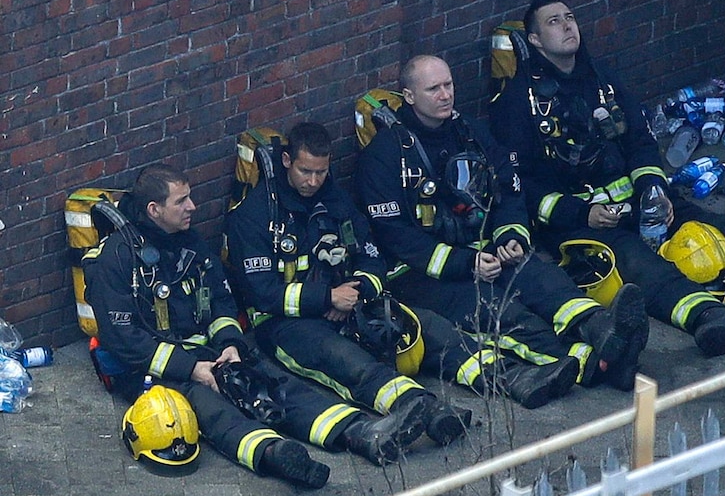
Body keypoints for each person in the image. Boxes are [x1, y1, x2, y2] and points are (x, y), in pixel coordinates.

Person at [488, 0, 725, 357]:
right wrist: (580, 214)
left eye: (570, 17)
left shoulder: (603, 81)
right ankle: (710, 319)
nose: (567, 26)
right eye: (554, 22)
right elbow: (522, 188)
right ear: (534, 40)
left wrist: (654, 188)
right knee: (638, 264)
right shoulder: (517, 105)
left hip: (642, 203)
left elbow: (641, 142)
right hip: (584, 223)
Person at [82, 165, 428, 489]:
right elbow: (122, 339)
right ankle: (275, 455)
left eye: (190, 196)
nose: (192, 205)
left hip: (211, 351)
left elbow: (220, 300)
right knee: (208, 407)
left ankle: (360, 434)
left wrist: (231, 344)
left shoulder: (189, 243)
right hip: (155, 368)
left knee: (274, 384)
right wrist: (192, 369)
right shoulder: (116, 260)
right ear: (155, 210)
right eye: (182, 201)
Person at [354, 55, 650, 392]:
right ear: (409, 97)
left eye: (448, 85)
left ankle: (600, 327)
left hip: (486, 251)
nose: (445, 95)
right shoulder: (384, 156)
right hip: (424, 276)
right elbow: (396, 237)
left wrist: (510, 234)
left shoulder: (470, 132)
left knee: (544, 280)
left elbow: (509, 186)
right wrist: (466, 264)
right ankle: (596, 363)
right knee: (503, 314)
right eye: (433, 88)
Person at [226, 122, 483, 444]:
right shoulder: (252, 216)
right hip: (286, 323)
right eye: (306, 171)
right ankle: (424, 409)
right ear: (287, 161)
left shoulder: (337, 201)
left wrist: (357, 290)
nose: (314, 181)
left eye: (321, 172)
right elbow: (260, 293)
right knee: (347, 360)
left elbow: (372, 258)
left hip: (348, 302)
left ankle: (508, 377)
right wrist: (326, 298)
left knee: (426, 326)